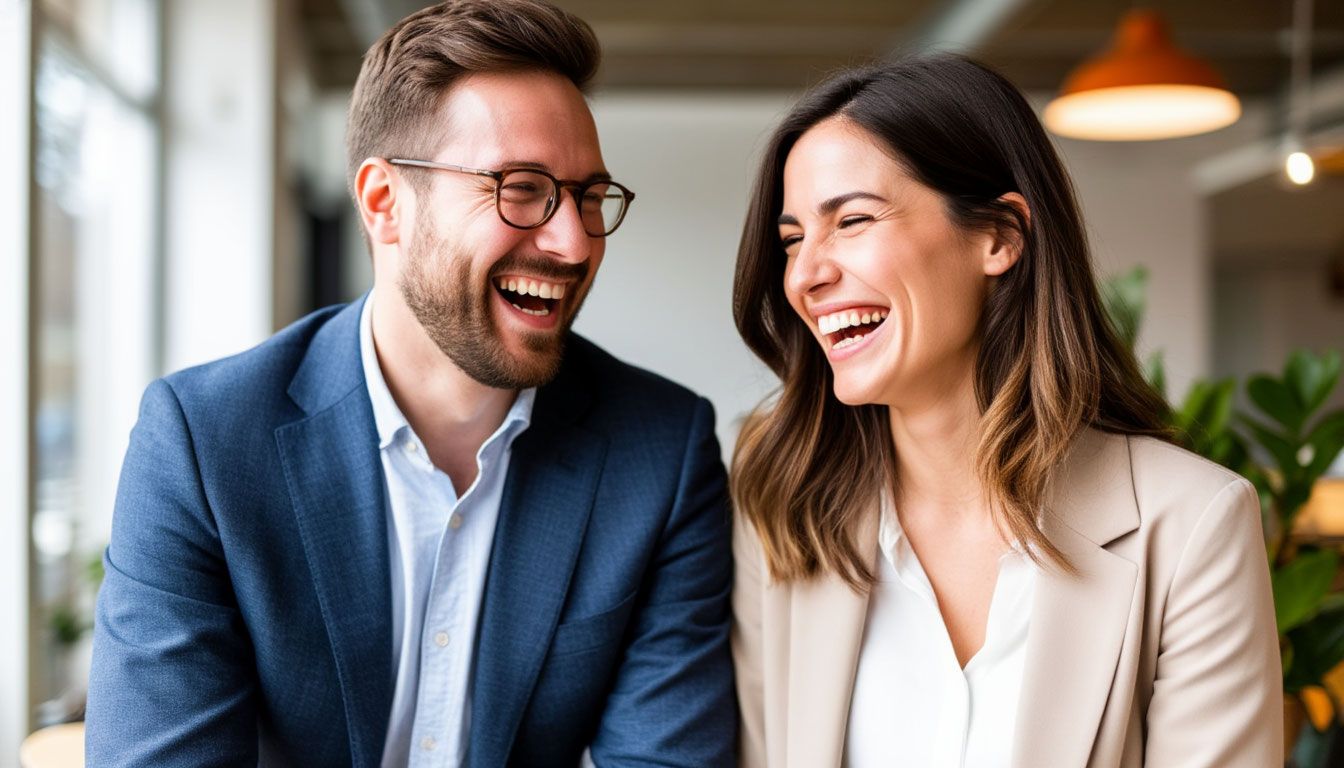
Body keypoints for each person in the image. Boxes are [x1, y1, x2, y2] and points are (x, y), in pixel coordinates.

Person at [86, 2, 736, 765]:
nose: (573, 241)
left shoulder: (660, 450)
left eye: (589, 198)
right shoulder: (202, 445)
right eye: (521, 188)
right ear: (383, 202)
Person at [730, 55, 1281, 768]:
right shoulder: (779, 504)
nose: (806, 274)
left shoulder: (1190, 525)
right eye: (793, 240)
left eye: (854, 220)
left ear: (999, 235)